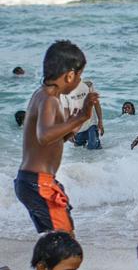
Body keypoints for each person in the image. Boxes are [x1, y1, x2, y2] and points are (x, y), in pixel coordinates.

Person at [15, 40, 99, 234]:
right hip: (39, 183)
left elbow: (47, 142)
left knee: (55, 242)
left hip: (31, 181)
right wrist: (80, 118)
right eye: (80, 75)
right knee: (66, 242)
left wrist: (73, 126)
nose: (79, 80)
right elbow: (44, 136)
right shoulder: (49, 99)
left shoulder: (42, 96)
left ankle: (44, 264)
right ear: (70, 75)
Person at [63, 76, 103, 150]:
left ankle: (102, 160)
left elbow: (96, 103)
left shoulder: (88, 85)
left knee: (93, 147)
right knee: (79, 149)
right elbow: (66, 112)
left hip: (91, 123)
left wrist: (100, 121)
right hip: (77, 126)